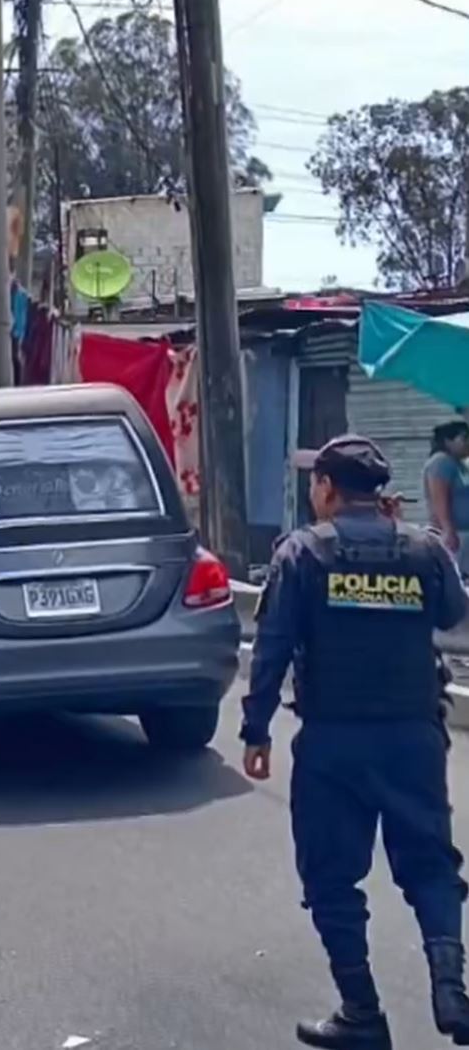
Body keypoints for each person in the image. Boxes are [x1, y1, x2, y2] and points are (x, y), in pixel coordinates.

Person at [243, 434, 469, 1049]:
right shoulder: (422, 549)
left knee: (332, 880)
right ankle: (452, 988)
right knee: (429, 866)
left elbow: (273, 648)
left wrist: (255, 729)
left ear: (326, 489)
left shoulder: (302, 553)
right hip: (413, 739)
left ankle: (362, 1012)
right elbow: (452, 615)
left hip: (334, 744)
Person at [426, 420, 469, 577]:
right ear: (448, 441)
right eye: (464, 438)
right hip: (456, 534)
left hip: (464, 533)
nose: (468, 443)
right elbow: (439, 496)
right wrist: (448, 530)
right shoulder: (441, 461)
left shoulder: (459, 464)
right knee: (457, 576)